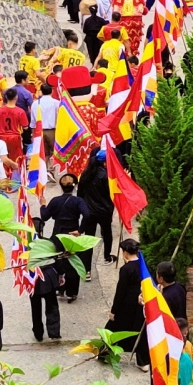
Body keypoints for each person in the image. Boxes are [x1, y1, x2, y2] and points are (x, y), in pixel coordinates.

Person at [39, 173, 89, 301]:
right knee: (72, 262)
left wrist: (43, 204)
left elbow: (44, 216)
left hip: (57, 235)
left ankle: (59, 288)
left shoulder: (55, 201)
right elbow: (87, 215)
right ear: (74, 186)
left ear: (61, 187)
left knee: (58, 261)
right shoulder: (78, 201)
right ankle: (72, 292)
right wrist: (80, 230)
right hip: (72, 236)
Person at [104, 239, 145, 364]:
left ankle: (104, 354)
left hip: (126, 304)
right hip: (140, 303)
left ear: (125, 252)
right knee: (139, 331)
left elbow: (120, 291)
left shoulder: (126, 269)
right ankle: (143, 362)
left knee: (112, 328)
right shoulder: (143, 265)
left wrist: (113, 311)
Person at [77, 150, 114, 280]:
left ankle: (87, 270)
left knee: (89, 240)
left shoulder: (85, 175)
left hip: (89, 212)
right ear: (104, 162)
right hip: (104, 211)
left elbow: (80, 194)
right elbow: (111, 194)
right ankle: (107, 256)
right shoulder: (105, 176)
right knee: (107, 233)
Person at [0, 88, 28, 172]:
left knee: (3, 158)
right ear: (16, 97)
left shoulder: (0, 110)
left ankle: (5, 176)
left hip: (2, 137)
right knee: (16, 158)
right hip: (15, 137)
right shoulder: (20, 111)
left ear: (6, 96)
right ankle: (16, 177)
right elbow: (25, 127)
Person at [29, 258, 62, 342]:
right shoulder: (48, 245)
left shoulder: (25, 245)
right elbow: (57, 258)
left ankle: (38, 333)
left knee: (35, 308)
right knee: (52, 305)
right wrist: (61, 273)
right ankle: (54, 332)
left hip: (32, 277)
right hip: (48, 276)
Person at [35, 83, 60, 156]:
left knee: (43, 154)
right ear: (52, 91)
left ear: (41, 92)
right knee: (54, 153)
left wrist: (33, 134)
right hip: (53, 131)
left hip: (40, 131)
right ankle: (52, 167)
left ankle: (45, 167)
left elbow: (33, 121)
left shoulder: (35, 104)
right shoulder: (57, 103)